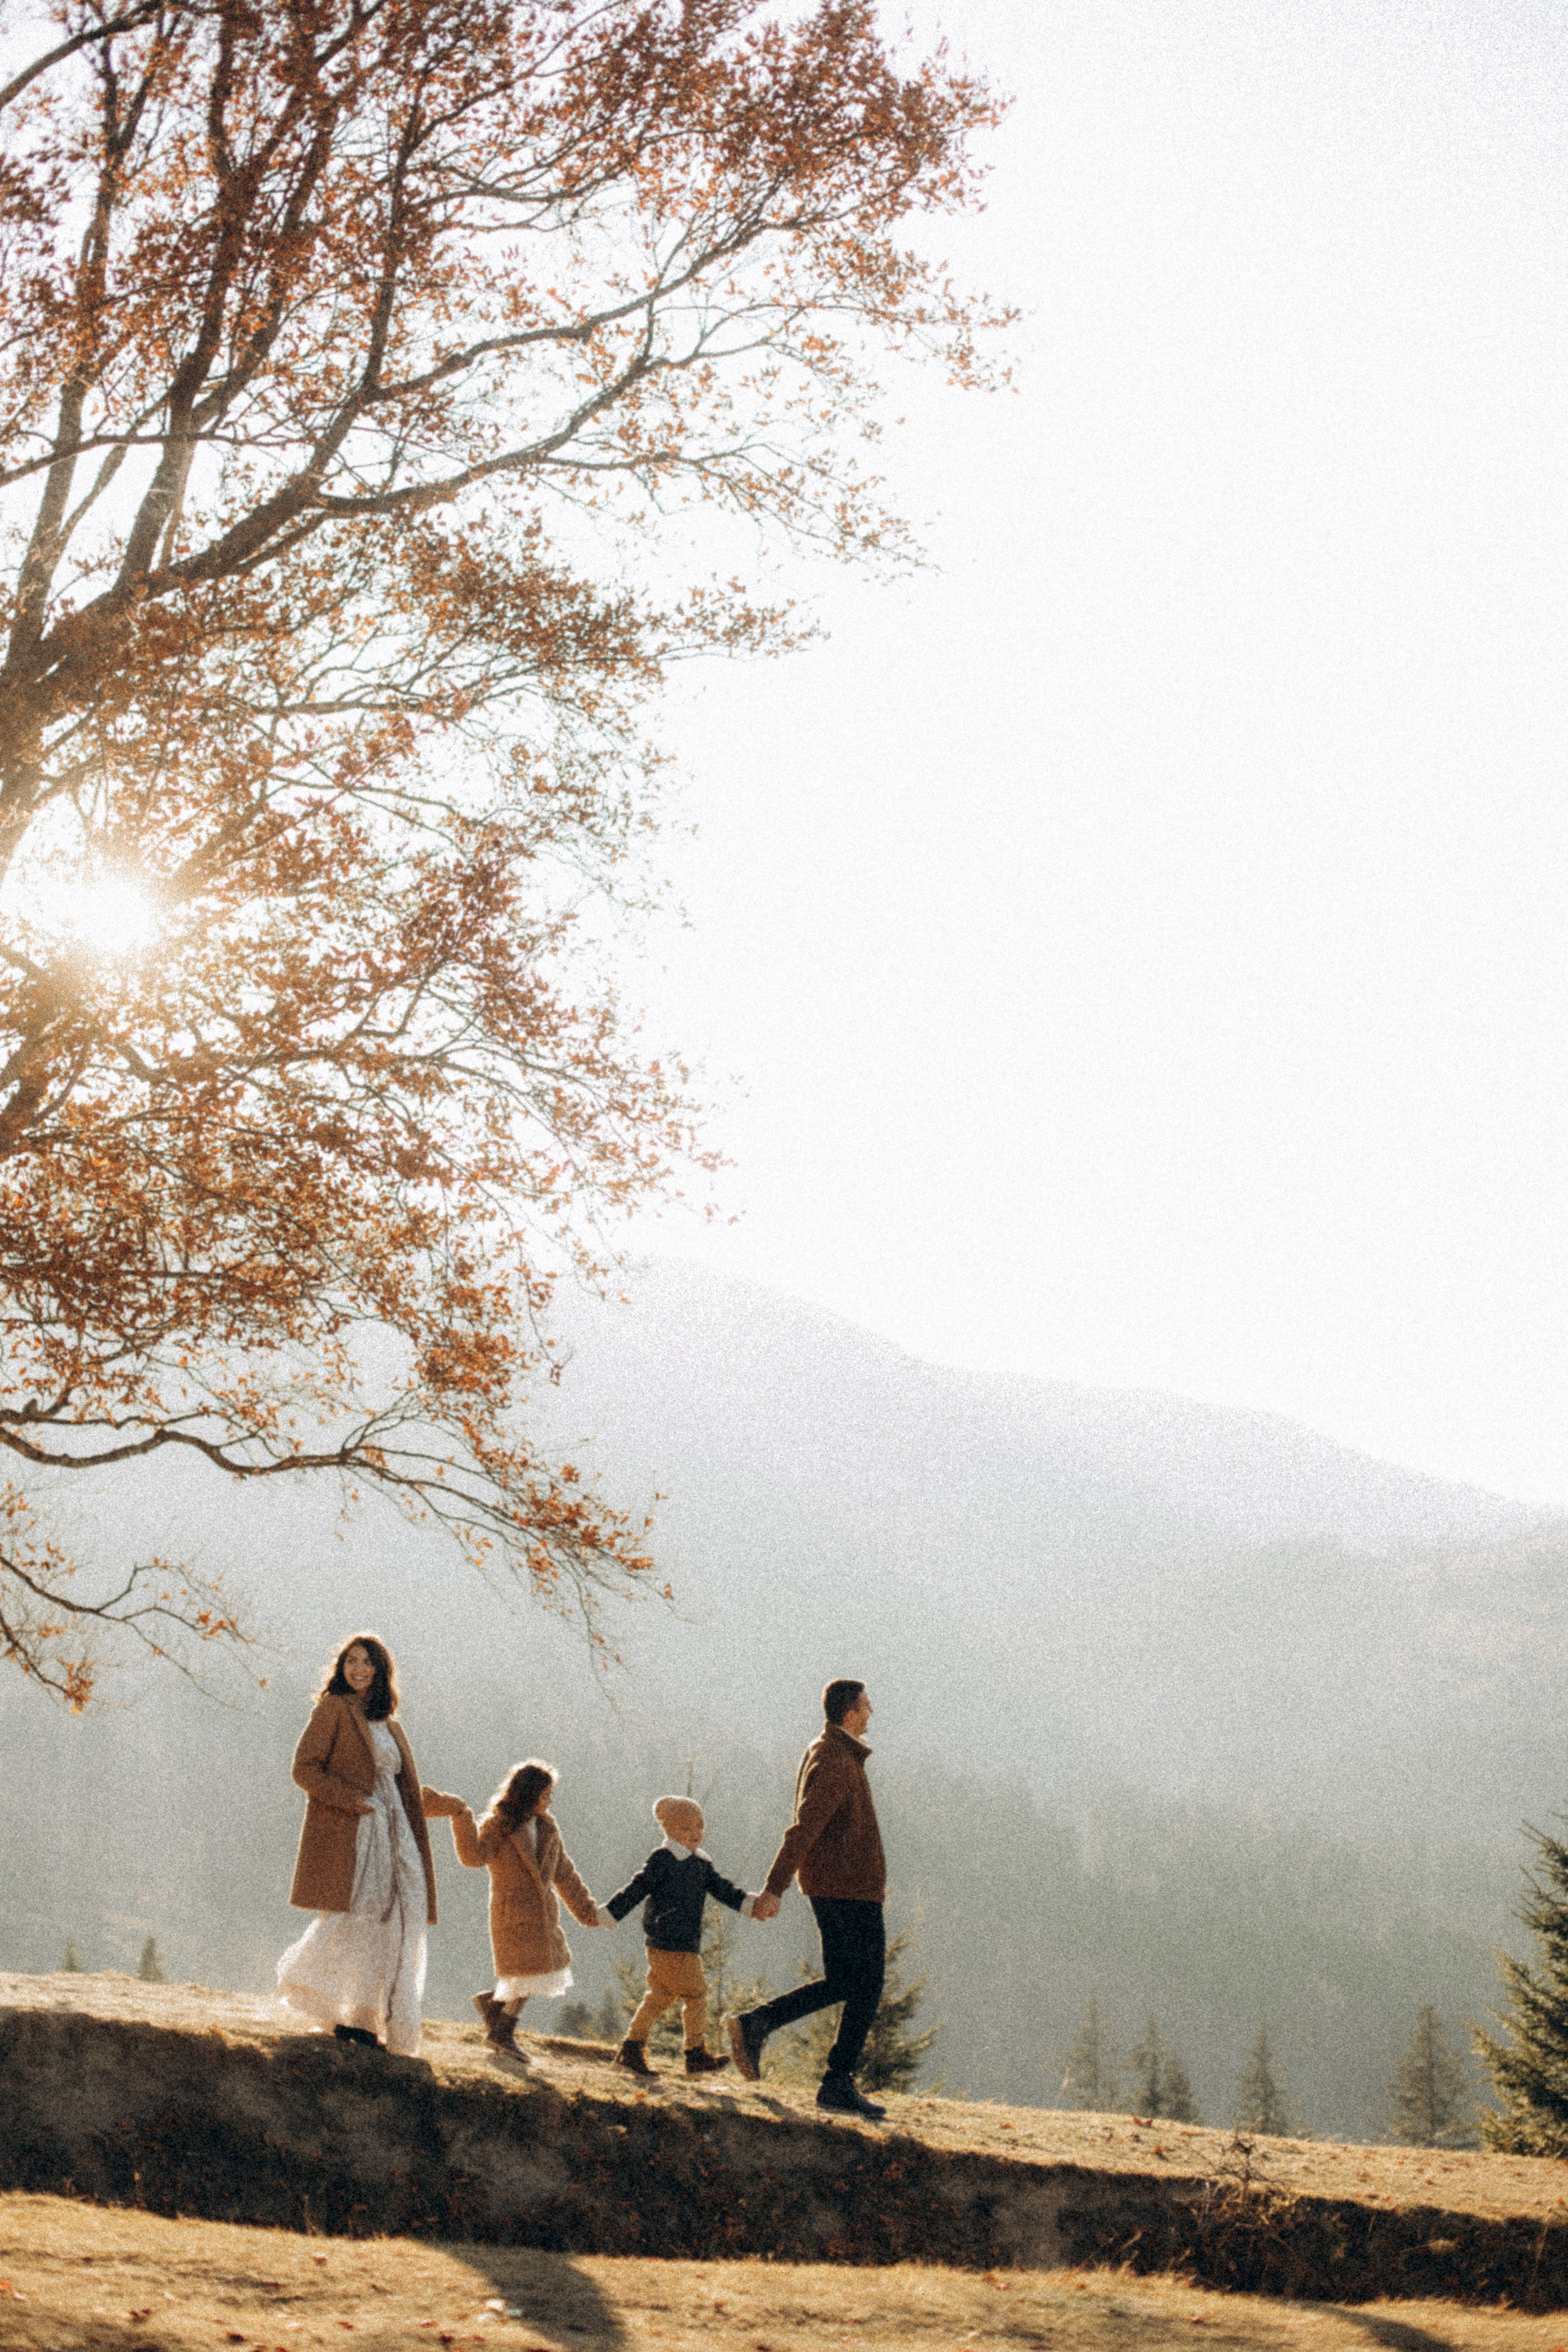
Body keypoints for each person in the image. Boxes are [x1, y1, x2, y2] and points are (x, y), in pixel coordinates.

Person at [277, 1632, 465, 2058]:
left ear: (381, 1671)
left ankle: (368, 2017)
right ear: (341, 1667)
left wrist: (446, 1805)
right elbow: (305, 1769)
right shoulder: (333, 1709)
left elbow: (402, 1788)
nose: (357, 1669)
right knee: (359, 1919)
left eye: (367, 1662)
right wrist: (351, 1801)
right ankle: (344, 2016)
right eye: (351, 1661)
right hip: (358, 1832)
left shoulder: (388, 1723)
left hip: (398, 1835)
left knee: (397, 1924)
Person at [726, 1678, 888, 2118]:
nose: (872, 1712)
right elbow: (804, 1827)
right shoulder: (836, 1759)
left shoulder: (833, 1752)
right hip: (847, 1889)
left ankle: (757, 2024)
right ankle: (837, 2082)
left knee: (843, 1981)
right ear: (850, 1713)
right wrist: (774, 1887)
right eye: (867, 1706)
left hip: (838, 1885)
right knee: (868, 1983)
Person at [598, 1793, 766, 2079]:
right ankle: (695, 2054)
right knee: (697, 1994)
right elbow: (637, 1888)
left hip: (682, 1943)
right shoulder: (663, 1859)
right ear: (670, 1831)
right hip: (669, 1942)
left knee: (661, 1996)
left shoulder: (700, 1863)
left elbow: (723, 1889)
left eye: (699, 1827)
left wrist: (750, 1905)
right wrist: (611, 1913)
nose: (695, 1834)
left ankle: (631, 2049)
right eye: (686, 1829)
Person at [446, 1758, 602, 2054]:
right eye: (545, 1795)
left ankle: (495, 2007)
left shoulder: (547, 1827)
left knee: (535, 1971)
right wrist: (462, 1820)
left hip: (542, 1915)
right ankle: (502, 2033)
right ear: (529, 1794)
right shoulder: (498, 1826)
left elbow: (564, 1873)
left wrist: (586, 1910)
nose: (550, 1800)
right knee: (529, 1973)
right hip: (512, 1912)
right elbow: (474, 1857)